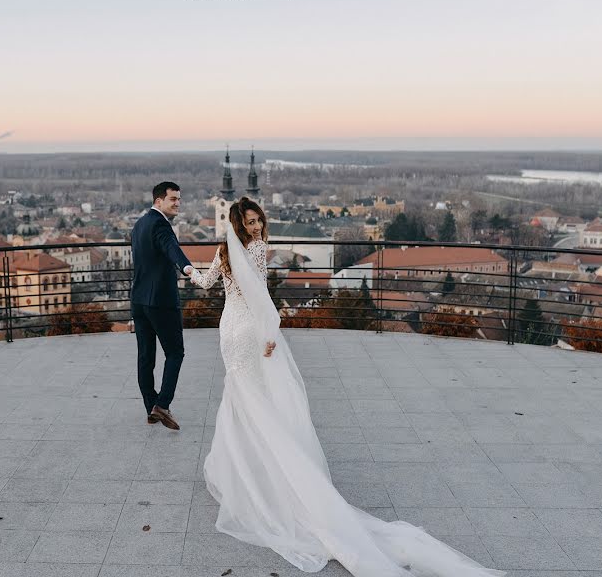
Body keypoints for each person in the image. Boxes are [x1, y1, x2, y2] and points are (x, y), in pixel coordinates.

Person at [189, 197, 503, 576]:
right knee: (256, 400)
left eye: (258, 221)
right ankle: (262, 470)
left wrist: (189, 270)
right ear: (240, 224)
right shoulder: (255, 249)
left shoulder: (225, 249)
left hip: (231, 331)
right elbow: (261, 295)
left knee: (243, 398)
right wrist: (270, 332)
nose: (256, 228)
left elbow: (207, 283)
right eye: (250, 222)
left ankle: (243, 471)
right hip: (249, 331)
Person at [129, 181, 194, 430]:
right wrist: (187, 267)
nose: (178, 203)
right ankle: (162, 405)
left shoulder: (139, 224)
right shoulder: (160, 225)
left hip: (139, 300)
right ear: (159, 201)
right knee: (175, 352)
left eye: (179, 199)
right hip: (161, 302)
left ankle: (150, 408)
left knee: (146, 357)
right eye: (173, 199)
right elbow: (171, 248)